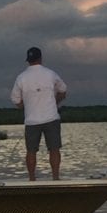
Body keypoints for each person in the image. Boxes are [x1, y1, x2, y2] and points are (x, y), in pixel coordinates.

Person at [10, 47, 67, 181]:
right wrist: (55, 102)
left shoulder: (21, 77)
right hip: (51, 117)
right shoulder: (51, 74)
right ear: (41, 58)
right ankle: (55, 177)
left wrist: (26, 106)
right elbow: (63, 90)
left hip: (31, 121)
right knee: (54, 149)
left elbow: (15, 100)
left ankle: (32, 178)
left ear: (28, 61)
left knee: (31, 151)